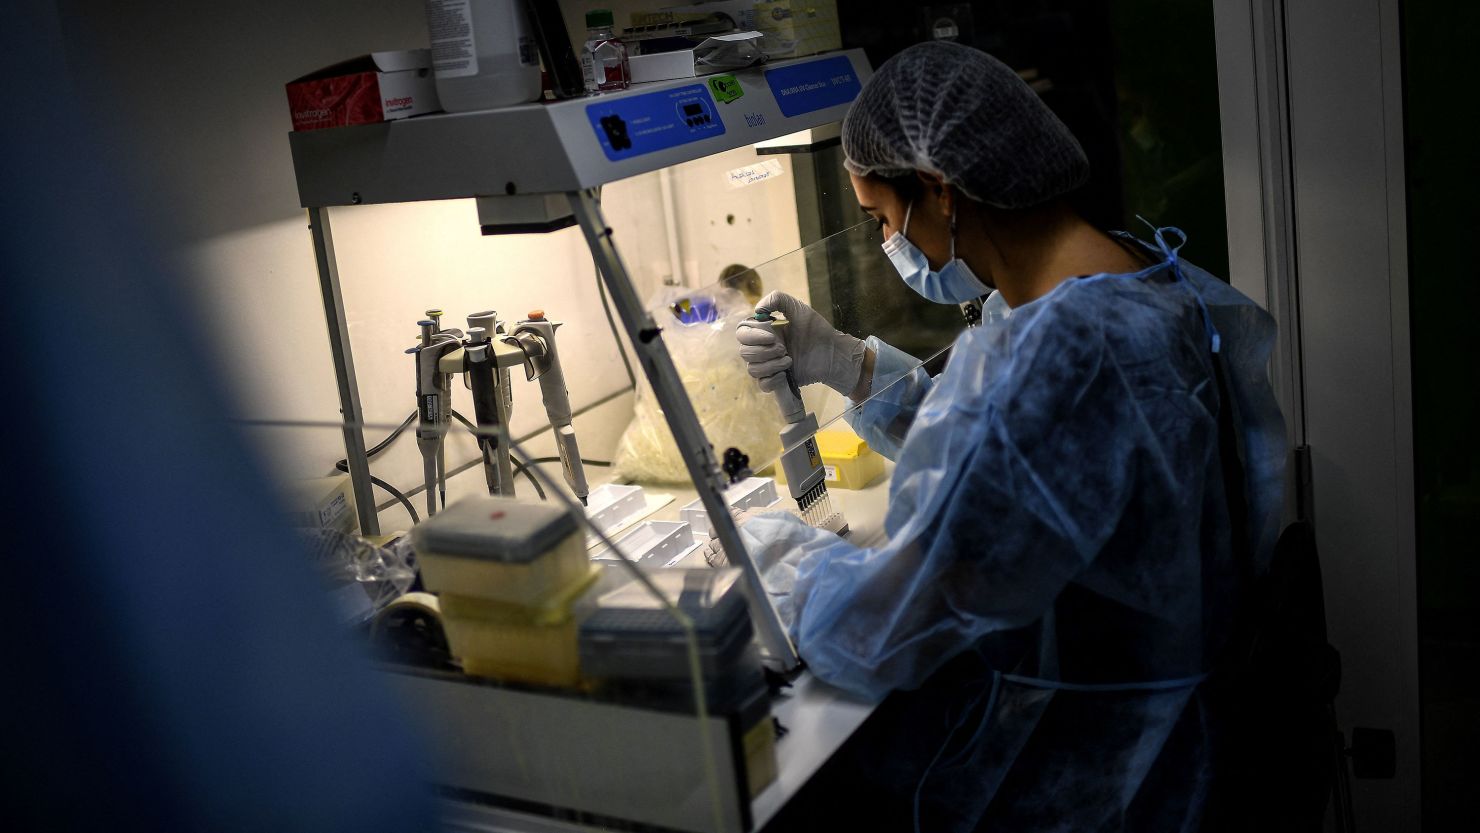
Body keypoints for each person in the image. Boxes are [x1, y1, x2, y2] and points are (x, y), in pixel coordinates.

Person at [730, 41, 1287, 831]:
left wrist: (781, 568)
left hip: (1099, 780)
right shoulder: (1132, 279)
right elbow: (1029, 474)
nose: (893, 247)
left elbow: (886, 631)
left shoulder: (1072, 351)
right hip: (1174, 738)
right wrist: (856, 369)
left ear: (939, 190)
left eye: (884, 219)